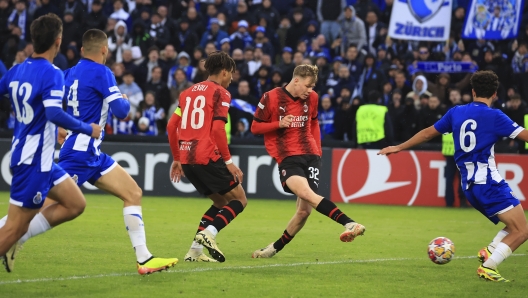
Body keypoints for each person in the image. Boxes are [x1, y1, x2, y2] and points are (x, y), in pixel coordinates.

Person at [378, 70, 528, 282]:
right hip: (488, 183)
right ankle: (489, 266)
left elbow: (428, 132)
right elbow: (525, 136)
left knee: (514, 225)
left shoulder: (456, 112)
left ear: (473, 91)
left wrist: (399, 147)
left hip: (470, 187)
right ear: (495, 94)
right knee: (522, 231)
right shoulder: (495, 116)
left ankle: (490, 250)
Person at [58, 29, 177, 275]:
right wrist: (122, 97)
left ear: (81, 50)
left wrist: (60, 125)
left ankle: (144, 259)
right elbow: (122, 111)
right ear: (105, 50)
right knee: (38, 204)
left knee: (133, 192)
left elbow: (54, 104)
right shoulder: (103, 72)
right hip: (80, 153)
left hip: (91, 153)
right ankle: (11, 233)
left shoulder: (69, 73)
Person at [0, 13, 102, 272]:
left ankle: (16, 239)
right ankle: (13, 240)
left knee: (75, 203)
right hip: (33, 160)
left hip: (39, 158)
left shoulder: (17, 69)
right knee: (13, 228)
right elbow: (54, 112)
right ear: (58, 41)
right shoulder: (52, 73)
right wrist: (87, 128)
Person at [250, 64, 366, 258]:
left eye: (313, 86)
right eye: (307, 86)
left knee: (304, 212)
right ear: (296, 80)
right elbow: (255, 127)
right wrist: (278, 123)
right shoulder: (271, 97)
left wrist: (318, 151)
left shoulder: (312, 98)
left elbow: (313, 122)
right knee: (306, 194)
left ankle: (272, 249)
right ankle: (349, 223)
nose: (310, 90)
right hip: (288, 156)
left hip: (311, 155)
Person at [167, 51, 247, 263]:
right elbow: (218, 129)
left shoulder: (187, 93)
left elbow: (171, 126)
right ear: (223, 72)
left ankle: (194, 251)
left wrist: (177, 158)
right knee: (240, 199)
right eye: (231, 73)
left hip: (187, 158)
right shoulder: (221, 93)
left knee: (221, 202)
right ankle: (209, 233)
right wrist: (229, 162)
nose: (232, 78)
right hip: (206, 155)